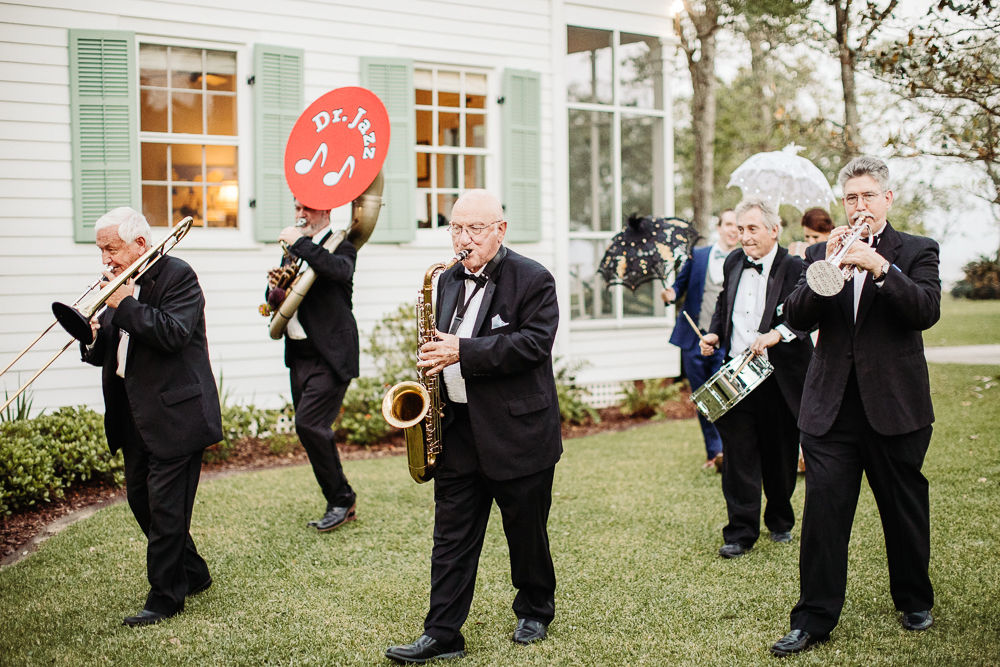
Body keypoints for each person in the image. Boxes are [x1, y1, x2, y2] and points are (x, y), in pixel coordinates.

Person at [770, 156, 941, 657]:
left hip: (895, 405)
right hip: (831, 408)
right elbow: (797, 315)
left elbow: (925, 311)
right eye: (851, 197)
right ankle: (813, 618)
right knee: (824, 518)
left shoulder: (916, 250)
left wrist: (879, 267)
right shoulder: (826, 250)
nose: (859, 205)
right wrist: (831, 267)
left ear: (888, 198)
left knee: (903, 509)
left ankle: (914, 599)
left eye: (868, 195)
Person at [385, 190, 562, 663]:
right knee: (451, 537)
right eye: (456, 228)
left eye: (475, 229)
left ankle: (535, 609)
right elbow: (439, 342)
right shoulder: (444, 280)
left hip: (518, 432)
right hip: (458, 428)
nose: (464, 239)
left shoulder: (534, 279)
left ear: (500, 230)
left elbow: (533, 345)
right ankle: (442, 632)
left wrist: (462, 350)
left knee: (526, 532)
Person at [81, 207, 221, 627]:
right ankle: (194, 573)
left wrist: (123, 303)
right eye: (101, 250)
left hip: (176, 414)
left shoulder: (178, 275)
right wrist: (92, 338)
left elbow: (173, 332)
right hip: (134, 416)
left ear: (139, 243)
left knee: (165, 510)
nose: (106, 259)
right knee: (144, 503)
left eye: (112, 249)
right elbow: (111, 347)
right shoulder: (119, 285)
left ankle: (164, 598)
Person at [698, 196, 812, 559]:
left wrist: (777, 334)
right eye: (740, 229)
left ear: (774, 230)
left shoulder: (795, 267)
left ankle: (779, 518)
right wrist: (714, 334)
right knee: (737, 454)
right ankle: (740, 531)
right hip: (736, 373)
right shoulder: (733, 261)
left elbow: (804, 316)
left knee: (780, 455)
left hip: (781, 377)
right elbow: (723, 306)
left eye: (752, 229)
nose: (743, 236)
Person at [269, 199, 360, 532]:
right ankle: (339, 497)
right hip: (300, 354)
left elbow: (338, 271)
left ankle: (341, 498)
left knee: (309, 425)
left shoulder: (343, 247)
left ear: (327, 212)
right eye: (296, 207)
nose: (300, 214)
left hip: (331, 355)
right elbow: (282, 292)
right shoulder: (294, 251)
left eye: (307, 208)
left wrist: (299, 243)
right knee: (307, 429)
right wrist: (273, 292)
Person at [661, 209, 740, 469]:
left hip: (726, 342)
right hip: (694, 338)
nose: (733, 229)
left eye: (738, 226)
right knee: (703, 398)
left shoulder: (744, 260)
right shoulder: (699, 255)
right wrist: (669, 294)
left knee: (725, 396)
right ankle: (713, 453)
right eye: (729, 224)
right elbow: (678, 287)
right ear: (719, 227)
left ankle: (731, 449)